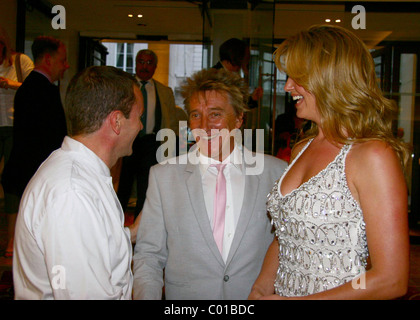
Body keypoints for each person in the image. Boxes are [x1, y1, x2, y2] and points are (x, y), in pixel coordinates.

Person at [249, 25, 410, 300]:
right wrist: (259, 290)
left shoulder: (371, 155)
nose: (288, 86)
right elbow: (286, 235)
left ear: (330, 77)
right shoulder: (302, 147)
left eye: (297, 76)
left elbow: (391, 280)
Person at [132, 68, 287, 300]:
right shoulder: (163, 176)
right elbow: (149, 256)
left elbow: (286, 246)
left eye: (215, 114)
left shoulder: (276, 173)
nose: (204, 126)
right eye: (195, 115)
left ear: (238, 118)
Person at [13, 66, 143, 299]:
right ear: (116, 122)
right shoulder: (72, 192)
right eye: (138, 117)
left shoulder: (81, 173)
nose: (141, 126)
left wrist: (133, 232)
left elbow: (98, 247)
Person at [2, 35, 68, 258]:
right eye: (62, 60)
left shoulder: (34, 87)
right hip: (35, 172)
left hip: (30, 170)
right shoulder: (40, 89)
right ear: (48, 60)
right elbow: (46, 139)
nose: (66, 65)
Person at [117, 49, 179, 218]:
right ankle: (116, 222)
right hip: (128, 141)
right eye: (141, 62)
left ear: (155, 67)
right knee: (124, 185)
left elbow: (171, 122)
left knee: (146, 188)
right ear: (136, 64)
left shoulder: (164, 92)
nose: (144, 66)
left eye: (149, 63)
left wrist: (169, 151)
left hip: (151, 144)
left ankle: (140, 228)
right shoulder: (125, 88)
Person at [0, 27, 34, 258]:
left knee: (12, 184)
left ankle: (13, 239)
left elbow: (35, 89)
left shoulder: (20, 62)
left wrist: (8, 84)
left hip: (14, 128)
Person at [212, 38, 262, 109]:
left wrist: (253, 98)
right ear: (237, 57)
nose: (247, 62)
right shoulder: (215, 77)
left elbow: (238, 104)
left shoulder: (231, 74)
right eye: (246, 58)